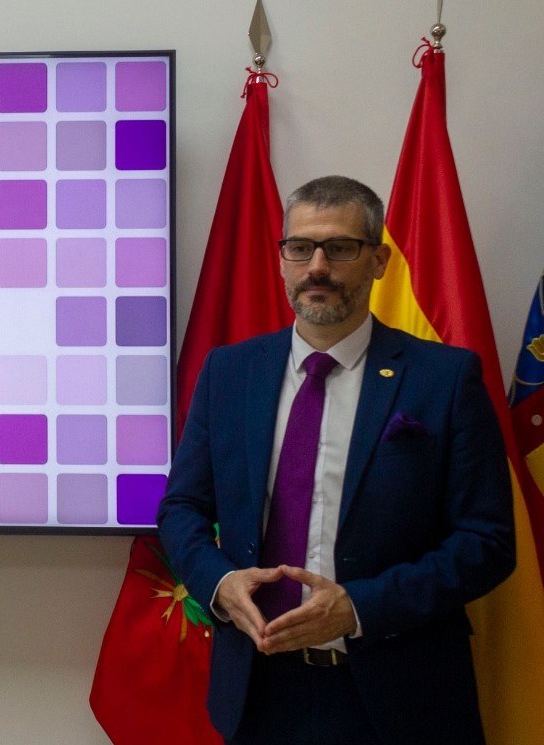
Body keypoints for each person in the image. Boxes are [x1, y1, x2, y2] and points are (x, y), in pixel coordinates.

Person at [156, 175, 514, 745]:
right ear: (282, 260)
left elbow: (487, 542)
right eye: (301, 248)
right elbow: (181, 509)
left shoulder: (445, 379)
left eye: (340, 248)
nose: (317, 267)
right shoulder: (229, 373)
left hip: (400, 696)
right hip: (257, 691)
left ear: (379, 260)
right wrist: (219, 584)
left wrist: (358, 608)